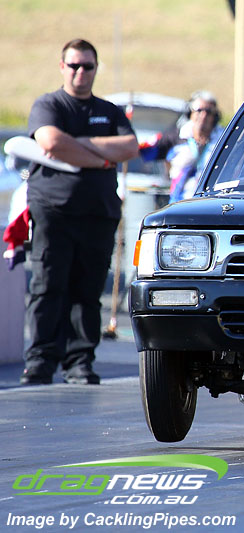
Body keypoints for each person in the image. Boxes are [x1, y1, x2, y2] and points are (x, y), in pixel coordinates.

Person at [20, 39, 138, 385]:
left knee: (87, 293)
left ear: (96, 69)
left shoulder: (109, 111)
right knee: (47, 287)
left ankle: (80, 362)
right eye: (74, 65)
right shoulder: (49, 104)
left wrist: (79, 145)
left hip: (98, 215)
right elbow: (51, 141)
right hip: (53, 212)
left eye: (87, 66)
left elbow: (129, 147)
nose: (80, 72)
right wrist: (101, 158)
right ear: (62, 67)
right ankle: (41, 361)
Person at [139, 90, 223, 202]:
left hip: (212, 202)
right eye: (199, 110)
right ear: (190, 112)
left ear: (215, 116)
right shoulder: (175, 137)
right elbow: (142, 151)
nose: (203, 116)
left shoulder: (223, 140)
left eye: (208, 112)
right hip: (179, 202)